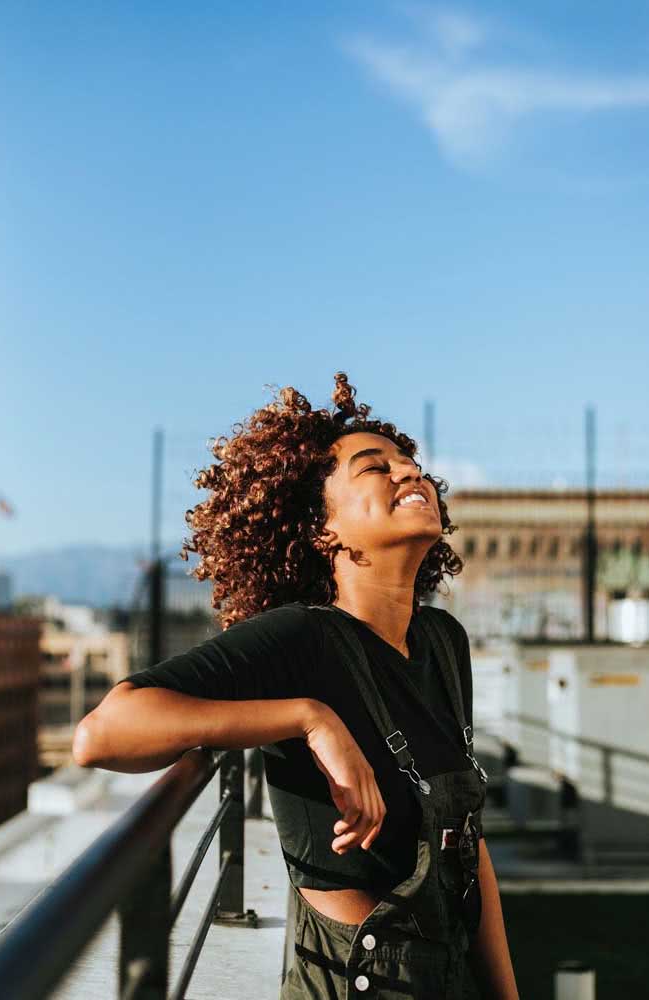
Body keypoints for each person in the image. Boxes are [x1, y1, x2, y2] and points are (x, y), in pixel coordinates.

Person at [73, 372, 519, 999]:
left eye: (411, 464)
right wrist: (308, 717)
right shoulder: (299, 639)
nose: (409, 473)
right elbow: (102, 734)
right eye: (375, 468)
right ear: (323, 531)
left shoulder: (445, 643)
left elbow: (468, 851)